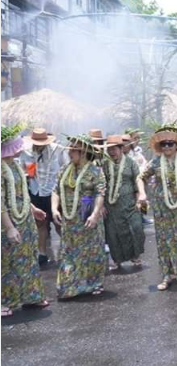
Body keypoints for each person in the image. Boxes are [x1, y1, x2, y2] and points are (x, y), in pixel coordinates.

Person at [138, 126, 177, 290]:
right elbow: (140, 177)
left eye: (170, 144)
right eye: (164, 144)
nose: (166, 147)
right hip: (162, 207)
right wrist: (142, 194)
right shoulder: (156, 162)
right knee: (165, 240)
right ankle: (167, 274)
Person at [51, 135, 107, 298]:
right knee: (69, 252)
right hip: (70, 221)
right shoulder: (64, 170)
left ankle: (94, 282)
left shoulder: (95, 171)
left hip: (88, 218)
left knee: (91, 251)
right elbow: (56, 190)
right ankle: (69, 286)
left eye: (73, 151)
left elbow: (100, 193)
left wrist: (95, 214)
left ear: (83, 152)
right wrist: (55, 209)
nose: (70, 154)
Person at [2, 124, 49, 317]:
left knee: (28, 258)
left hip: (24, 218)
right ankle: (5, 300)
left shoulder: (14, 164)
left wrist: (33, 208)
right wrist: (9, 227)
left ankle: (31, 295)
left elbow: (21, 193)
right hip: (7, 221)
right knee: (7, 262)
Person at [19, 127, 68, 266]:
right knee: (41, 224)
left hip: (54, 193)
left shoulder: (57, 150)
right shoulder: (26, 153)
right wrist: (28, 173)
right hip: (36, 192)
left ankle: (68, 249)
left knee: (59, 222)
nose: (39, 146)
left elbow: (66, 167)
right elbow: (25, 171)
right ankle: (42, 253)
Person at [101, 135, 146, 270]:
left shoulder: (131, 163)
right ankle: (117, 260)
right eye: (109, 149)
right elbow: (100, 186)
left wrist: (141, 195)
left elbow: (137, 179)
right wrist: (101, 205)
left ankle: (135, 255)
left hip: (130, 203)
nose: (112, 152)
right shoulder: (104, 165)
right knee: (113, 233)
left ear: (121, 149)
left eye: (114, 149)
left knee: (136, 228)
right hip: (111, 206)